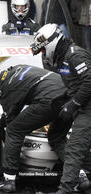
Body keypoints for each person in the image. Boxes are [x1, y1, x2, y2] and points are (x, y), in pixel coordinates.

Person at [0, 64, 90, 192]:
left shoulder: (7, 87)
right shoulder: (17, 69)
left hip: (49, 100)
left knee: (14, 131)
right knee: (56, 137)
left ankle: (8, 181)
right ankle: (81, 177)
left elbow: (11, 122)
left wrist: (4, 136)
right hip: (68, 96)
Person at [31, 23, 91, 194]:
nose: (43, 54)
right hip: (81, 105)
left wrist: (73, 104)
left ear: (50, 43)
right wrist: (62, 101)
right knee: (56, 134)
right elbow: (75, 85)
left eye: (43, 50)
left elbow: (89, 81)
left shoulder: (75, 55)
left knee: (74, 148)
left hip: (87, 108)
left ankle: (65, 189)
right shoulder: (63, 57)